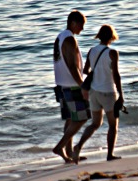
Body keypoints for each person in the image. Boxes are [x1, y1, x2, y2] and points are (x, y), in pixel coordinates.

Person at [73, 24, 124, 163]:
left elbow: (85, 70)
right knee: (113, 125)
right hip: (108, 92)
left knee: (95, 123)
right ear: (112, 37)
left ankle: (78, 146)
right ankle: (110, 155)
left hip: (94, 92)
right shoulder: (112, 53)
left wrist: (97, 74)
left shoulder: (92, 50)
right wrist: (121, 96)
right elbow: (116, 75)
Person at [52, 10, 91, 163]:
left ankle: (68, 152)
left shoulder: (61, 36)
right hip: (71, 85)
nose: (82, 29)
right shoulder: (69, 39)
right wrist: (82, 85)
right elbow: (72, 66)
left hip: (62, 84)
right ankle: (60, 146)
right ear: (74, 23)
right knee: (82, 118)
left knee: (70, 119)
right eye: (81, 25)